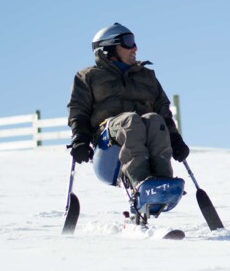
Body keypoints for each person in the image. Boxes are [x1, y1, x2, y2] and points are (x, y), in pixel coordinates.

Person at [67, 23, 189, 189]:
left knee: (154, 119)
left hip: (142, 133)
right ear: (108, 49)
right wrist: (80, 140)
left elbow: (163, 111)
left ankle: (163, 183)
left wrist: (176, 141)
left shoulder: (146, 76)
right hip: (107, 143)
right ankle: (141, 181)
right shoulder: (89, 77)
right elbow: (78, 111)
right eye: (128, 42)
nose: (135, 48)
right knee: (130, 120)